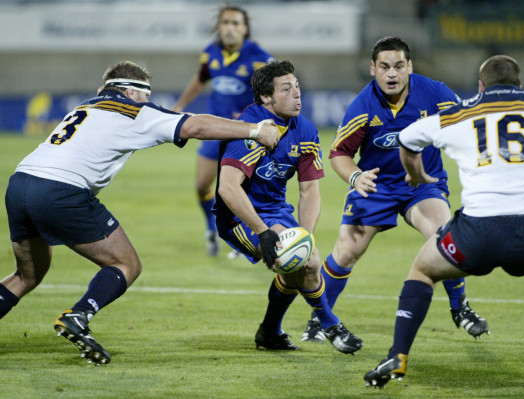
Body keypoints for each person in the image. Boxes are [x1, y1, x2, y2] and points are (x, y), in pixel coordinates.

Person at [1, 60, 279, 365]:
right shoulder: (134, 111)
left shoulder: (85, 106)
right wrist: (254, 130)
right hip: (60, 191)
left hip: (20, 184)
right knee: (126, 263)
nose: (149, 102)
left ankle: (73, 315)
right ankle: (78, 315)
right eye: (146, 96)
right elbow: (195, 125)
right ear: (132, 91)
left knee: (27, 275)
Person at [364, 55, 524, 390]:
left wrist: (417, 175)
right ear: (519, 84)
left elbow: (407, 139)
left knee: (423, 270)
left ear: (481, 86)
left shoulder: (459, 113)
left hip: (476, 234)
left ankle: (398, 355)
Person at [301, 36, 488, 343]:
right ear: (372, 68)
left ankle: (461, 308)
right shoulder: (362, 106)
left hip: (421, 185)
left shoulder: (436, 93)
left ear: (409, 67)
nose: (392, 74)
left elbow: (468, 123)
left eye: (399, 66)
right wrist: (355, 177)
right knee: (347, 251)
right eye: (385, 67)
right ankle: (320, 317)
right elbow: (338, 153)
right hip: (376, 186)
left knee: (444, 237)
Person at [214, 59, 363, 354]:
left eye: (297, 87)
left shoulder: (304, 130)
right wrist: (262, 231)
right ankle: (330, 324)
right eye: (286, 89)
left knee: (302, 261)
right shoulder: (250, 130)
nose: (297, 94)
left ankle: (269, 332)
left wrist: (305, 236)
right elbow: (227, 187)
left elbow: (310, 191)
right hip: (239, 216)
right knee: (308, 263)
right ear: (266, 98)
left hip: (277, 211)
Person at [172, 5, 273, 258]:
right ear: (219, 26)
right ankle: (211, 228)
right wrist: (180, 105)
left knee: (237, 190)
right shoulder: (211, 53)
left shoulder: (258, 57)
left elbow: (274, 92)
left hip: (244, 134)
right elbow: (201, 78)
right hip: (214, 130)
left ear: (245, 29)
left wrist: (258, 116)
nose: (230, 28)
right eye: (226, 22)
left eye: (236, 23)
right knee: (202, 186)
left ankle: (243, 237)